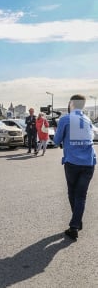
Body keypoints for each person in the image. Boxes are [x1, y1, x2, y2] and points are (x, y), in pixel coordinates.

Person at [53, 94, 96, 241]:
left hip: (73, 163)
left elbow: (56, 140)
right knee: (81, 195)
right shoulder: (88, 119)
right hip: (89, 162)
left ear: (71, 103)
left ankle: (75, 226)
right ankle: (77, 221)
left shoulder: (65, 119)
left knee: (73, 193)